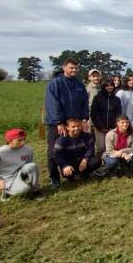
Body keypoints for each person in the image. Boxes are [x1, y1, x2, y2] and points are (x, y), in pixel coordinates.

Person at [44, 57, 90, 189]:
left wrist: (84, 119)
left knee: (75, 149)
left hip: (75, 124)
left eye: (76, 68)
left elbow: (84, 103)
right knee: (53, 151)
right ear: (64, 68)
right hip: (58, 124)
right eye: (71, 68)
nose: (74, 70)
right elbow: (53, 104)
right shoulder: (55, 83)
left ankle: (72, 173)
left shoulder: (79, 85)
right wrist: (59, 122)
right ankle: (54, 178)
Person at [0, 128, 42, 201]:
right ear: (10, 141)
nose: (23, 142)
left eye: (24, 139)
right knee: (24, 190)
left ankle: (36, 191)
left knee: (32, 166)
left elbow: (28, 165)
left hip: (19, 173)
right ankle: (6, 191)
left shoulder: (28, 150)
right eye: (19, 140)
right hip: (6, 178)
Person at [53, 118, 101, 182]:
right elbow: (57, 155)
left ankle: (83, 174)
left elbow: (91, 148)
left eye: (78, 126)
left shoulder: (86, 136)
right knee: (66, 173)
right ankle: (72, 176)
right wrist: (65, 165)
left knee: (97, 161)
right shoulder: (62, 139)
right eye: (73, 127)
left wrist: (85, 159)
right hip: (69, 161)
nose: (76, 128)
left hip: (82, 159)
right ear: (67, 127)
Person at [90, 81, 121, 156]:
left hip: (112, 127)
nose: (110, 87)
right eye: (107, 85)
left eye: (111, 85)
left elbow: (118, 114)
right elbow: (94, 114)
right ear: (103, 87)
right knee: (101, 147)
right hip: (99, 127)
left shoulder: (117, 99)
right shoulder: (97, 98)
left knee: (111, 146)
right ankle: (99, 162)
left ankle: (110, 162)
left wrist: (114, 126)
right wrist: (100, 127)